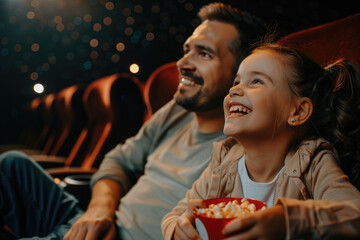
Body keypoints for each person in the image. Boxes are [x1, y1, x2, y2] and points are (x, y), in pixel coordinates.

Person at [0, 3, 267, 240]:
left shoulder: (247, 147)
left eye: (204, 54)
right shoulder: (177, 110)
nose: (183, 63)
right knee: (11, 164)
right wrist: (99, 210)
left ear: (241, 73)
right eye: (187, 50)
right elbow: (118, 160)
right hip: (94, 223)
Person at [162, 42, 360, 240]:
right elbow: (175, 215)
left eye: (256, 81)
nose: (235, 90)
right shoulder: (223, 161)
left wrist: (290, 220)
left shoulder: (312, 161)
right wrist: (177, 229)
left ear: (298, 111)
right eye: (236, 82)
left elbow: (354, 214)